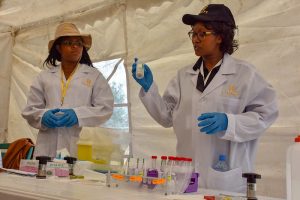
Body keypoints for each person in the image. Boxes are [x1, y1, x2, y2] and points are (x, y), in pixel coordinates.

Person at [132, 4, 278, 192]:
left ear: (220, 36)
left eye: (202, 33)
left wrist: (230, 122)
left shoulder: (245, 75)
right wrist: (149, 88)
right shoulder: (183, 76)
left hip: (226, 179)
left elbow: (266, 114)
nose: (195, 39)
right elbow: (166, 117)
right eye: (193, 33)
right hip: (186, 178)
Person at [22, 22, 114, 158]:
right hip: (46, 149)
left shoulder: (94, 76)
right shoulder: (44, 76)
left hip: (80, 146)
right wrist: (43, 117)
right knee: (44, 177)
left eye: (79, 43)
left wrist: (78, 115)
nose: (75, 46)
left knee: (76, 176)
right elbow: (30, 110)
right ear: (58, 47)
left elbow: (105, 108)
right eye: (68, 43)